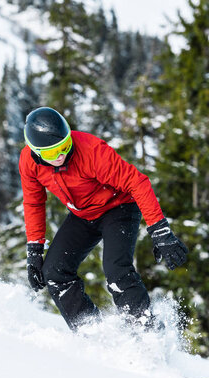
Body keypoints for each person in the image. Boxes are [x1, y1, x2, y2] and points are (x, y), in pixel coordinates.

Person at [19, 107, 188, 332]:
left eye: (64, 147)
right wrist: (34, 251)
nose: (60, 156)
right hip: (83, 215)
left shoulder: (91, 151)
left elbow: (137, 182)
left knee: (116, 270)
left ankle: (147, 333)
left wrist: (160, 231)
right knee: (54, 272)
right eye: (51, 153)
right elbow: (34, 203)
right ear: (35, 152)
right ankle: (92, 331)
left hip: (119, 208)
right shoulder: (28, 163)